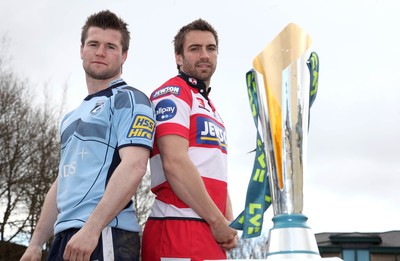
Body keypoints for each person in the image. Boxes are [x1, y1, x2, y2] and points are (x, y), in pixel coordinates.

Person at [20, 10, 155, 261]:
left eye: (111, 46)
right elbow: (63, 181)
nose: (100, 52)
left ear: (124, 55)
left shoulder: (131, 100)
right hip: (64, 237)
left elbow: (135, 166)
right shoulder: (70, 117)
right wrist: (35, 244)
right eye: (93, 44)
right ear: (81, 49)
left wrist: (92, 229)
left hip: (105, 233)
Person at [141, 18, 237, 261]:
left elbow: (213, 169)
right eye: (195, 49)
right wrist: (217, 221)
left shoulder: (209, 105)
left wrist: (228, 222)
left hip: (210, 228)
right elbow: (174, 162)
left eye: (211, 48)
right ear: (179, 57)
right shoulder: (172, 93)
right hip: (177, 225)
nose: (204, 55)